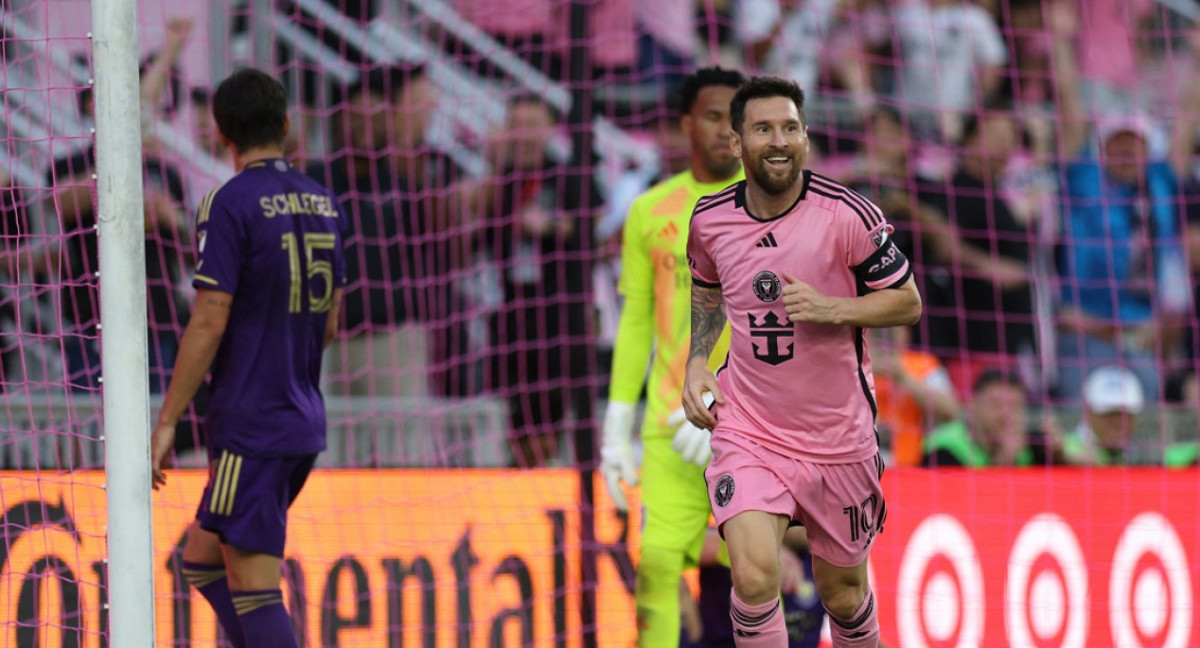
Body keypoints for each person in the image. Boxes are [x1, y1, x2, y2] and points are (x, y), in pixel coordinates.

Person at [682, 76, 922, 647]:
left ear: (806, 138)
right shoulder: (710, 219)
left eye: (790, 127)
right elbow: (707, 289)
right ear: (737, 143)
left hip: (838, 436)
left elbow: (908, 301)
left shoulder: (847, 215)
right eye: (763, 128)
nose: (779, 139)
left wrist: (832, 307)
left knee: (842, 594)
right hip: (750, 427)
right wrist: (696, 361)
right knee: (754, 574)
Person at [149, 68, 345, 648]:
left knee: (256, 589)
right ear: (286, 126)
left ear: (221, 134)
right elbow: (330, 321)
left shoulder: (228, 203)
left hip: (252, 426)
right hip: (303, 417)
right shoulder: (325, 202)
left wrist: (167, 422)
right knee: (202, 558)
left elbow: (210, 316)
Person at [598, 66, 747, 647]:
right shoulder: (650, 211)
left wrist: (730, 403)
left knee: (757, 570)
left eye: (736, 117)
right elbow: (636, 322)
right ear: (686, 124)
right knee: (658, 565)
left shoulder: (775, 210)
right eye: (713, 115)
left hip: (754, 423)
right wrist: (617, 427)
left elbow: (788, 321)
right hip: (670, 421)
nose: (726, 130)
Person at [475, 93, 602, 467]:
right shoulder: (502, 178)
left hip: (558, 316)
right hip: (510, 315)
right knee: (514, 415)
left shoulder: (569, 175)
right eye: (516, 125)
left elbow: (593, 229)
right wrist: (493, 167)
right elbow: (470, 223)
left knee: (551, 413)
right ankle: (524, 476)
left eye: (532, 125)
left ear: (549, 128)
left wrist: (550, 225)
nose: (524, 134)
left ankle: (542, 480)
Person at [922, 370, 1064, 468]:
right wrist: (1004, 462)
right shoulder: (944, 448)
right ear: (972, 405)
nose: (1006, 414)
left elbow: (1078, 468)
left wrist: (1059, 454)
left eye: (1014, 406)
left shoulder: (1035, 442)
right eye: (996, 405)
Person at [1060, 365, 1145, 466]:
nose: (1117, 421)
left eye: (1126, 414)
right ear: (1088, 412)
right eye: (1109, 414)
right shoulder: (1062, 448)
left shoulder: (1141, 453)